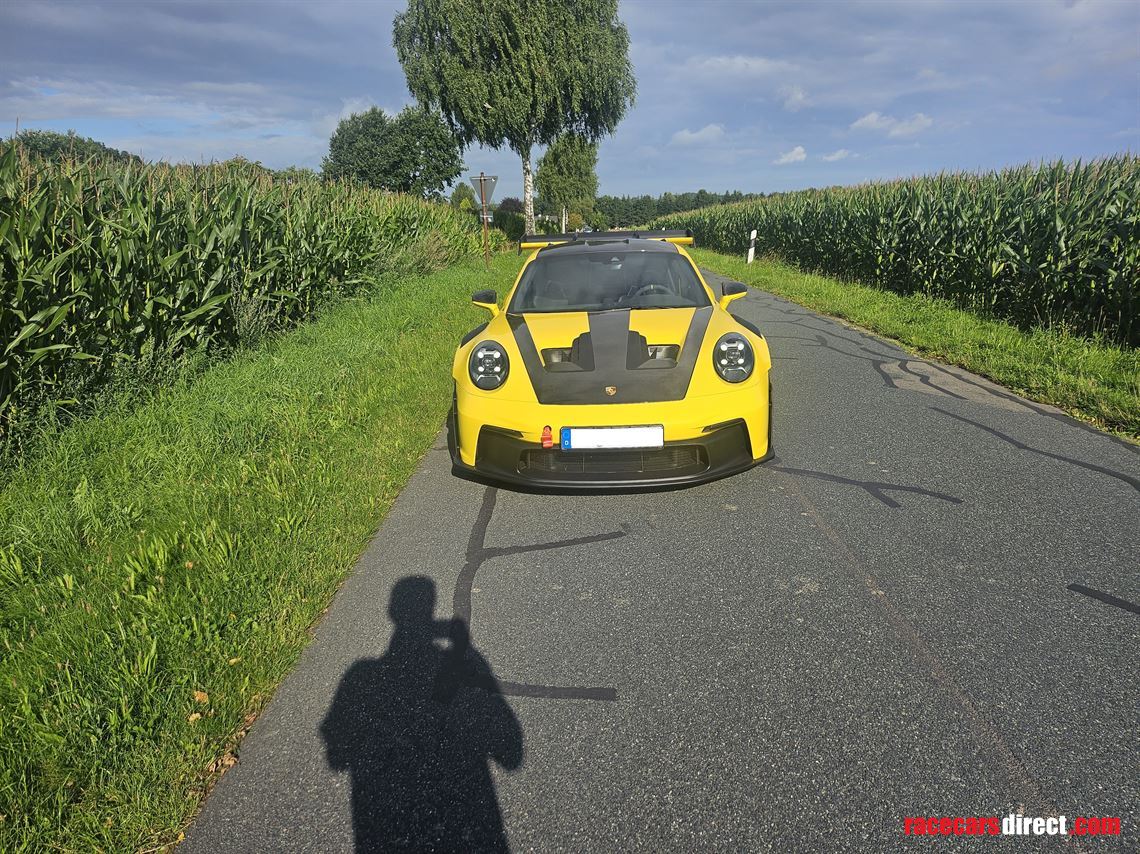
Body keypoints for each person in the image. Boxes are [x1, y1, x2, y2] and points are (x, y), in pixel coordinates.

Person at [322, 576, 523, 852]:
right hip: (472, 823)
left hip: (383, 830)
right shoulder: (468, 661)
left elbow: (337, 758)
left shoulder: (360, 676)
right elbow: (511, 754)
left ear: (392, 611)